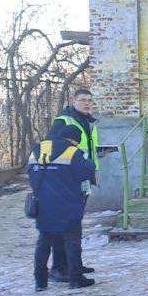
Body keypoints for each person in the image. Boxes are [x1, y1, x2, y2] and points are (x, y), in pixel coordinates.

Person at [28, 125, 96, 291]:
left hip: (43, 203)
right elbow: (85, 173)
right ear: (74, 139)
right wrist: (90, 162)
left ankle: (40, 281)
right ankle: (76, 278)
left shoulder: (37, 150)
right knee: (72, 241)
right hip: (67, 202)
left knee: (44, 241)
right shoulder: (72, 152)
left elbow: (30, 173)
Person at [47, 88, 99, 282]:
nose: (87, 103)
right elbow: (53, 148)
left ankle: (73, 264)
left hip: (83, 178)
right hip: (67, 181)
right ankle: (58, 268)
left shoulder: (88, 121)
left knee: (74, 226)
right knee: (64, 226)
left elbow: (84, 149)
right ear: (73, 101)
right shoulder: (64, 121)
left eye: (90, 101)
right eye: (83, 100)